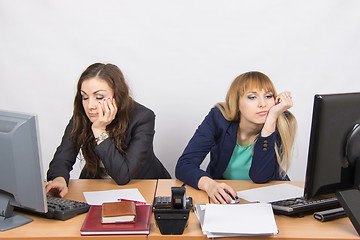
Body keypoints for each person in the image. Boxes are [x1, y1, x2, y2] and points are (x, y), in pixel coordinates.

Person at [46, 63, 171, 197]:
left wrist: (99, 130)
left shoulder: (142, 117)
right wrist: (59, 179)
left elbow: (123, 176)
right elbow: (62, 157)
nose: (90, 106)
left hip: (143, 186)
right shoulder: (83, 115)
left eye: (99, 97)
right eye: (85, 97)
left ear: (117, 96)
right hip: (98, 187)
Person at [175, 71, 297, 204]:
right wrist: (209, 185)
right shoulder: (218, 118)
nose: (263, 104)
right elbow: (184, 164)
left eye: (268, 96)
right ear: (236, 102)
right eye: (252, 97)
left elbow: (260, 177)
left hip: (270, 196)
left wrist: (272, 118)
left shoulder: (279, 122)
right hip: (229, 195)